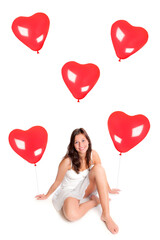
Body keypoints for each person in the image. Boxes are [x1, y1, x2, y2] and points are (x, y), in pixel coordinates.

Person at [35, 128, 120, 234]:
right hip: (70, 191)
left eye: (83, 140)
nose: (81, 145)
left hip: (87, 188)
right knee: (71, 215)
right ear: (73, 145)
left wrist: (109, 189)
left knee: (99, 168)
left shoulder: (93, 155)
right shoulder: (67, 162)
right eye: (76, 142)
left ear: (88, 141)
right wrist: (46, 195)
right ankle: (95, 201)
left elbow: (101, 174)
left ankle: (106, 215)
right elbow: (57, 182)